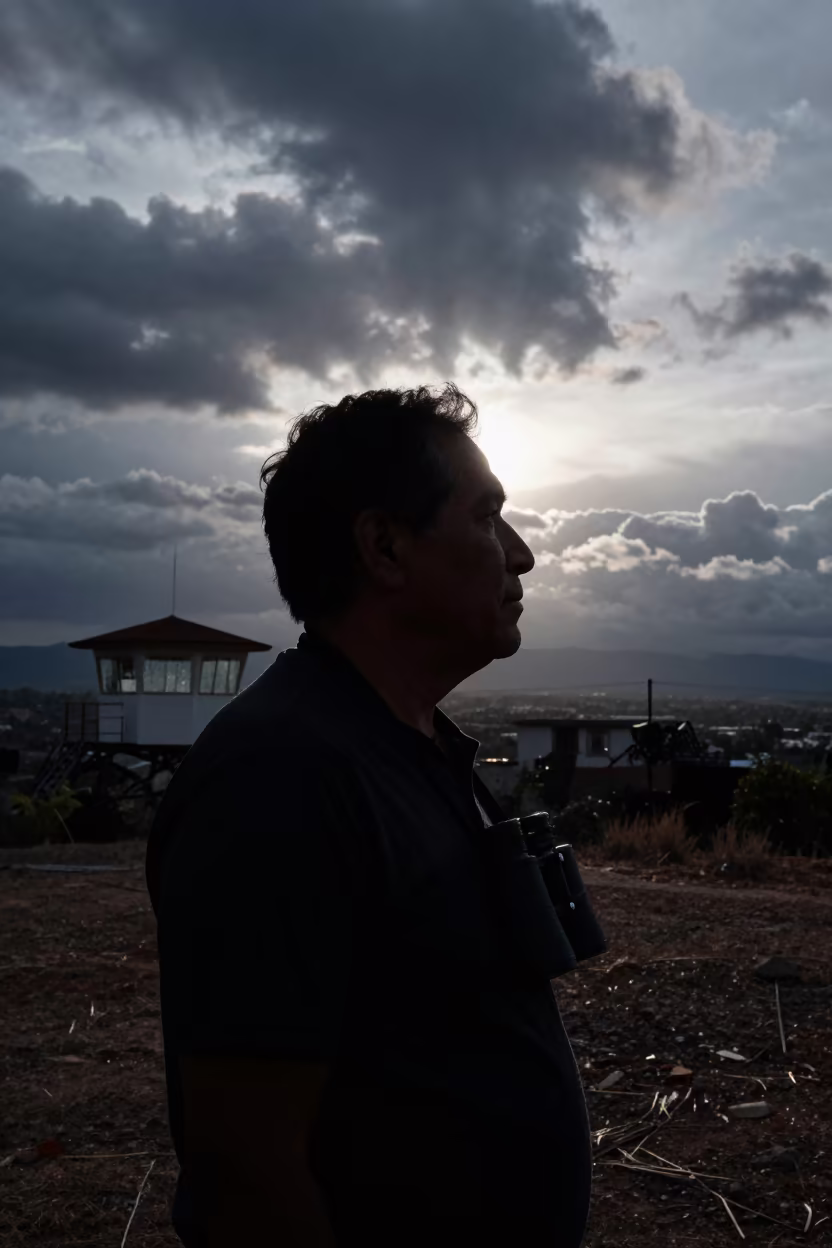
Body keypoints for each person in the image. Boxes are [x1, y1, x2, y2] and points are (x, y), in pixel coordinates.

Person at [146, 383, 592, 1246]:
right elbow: (248, 1169)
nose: (523, 554)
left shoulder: (414, 745)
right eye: (488, 518)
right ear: (385, 547)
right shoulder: (280, 779)